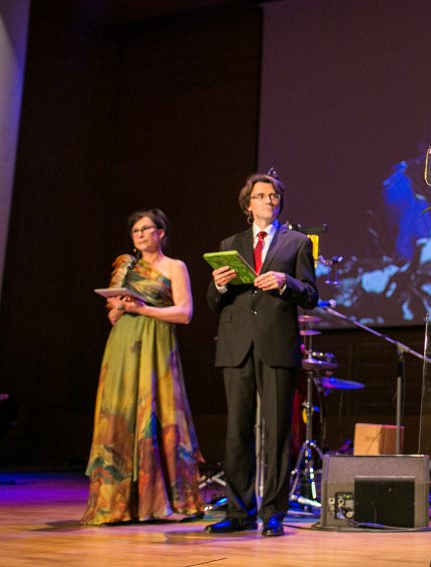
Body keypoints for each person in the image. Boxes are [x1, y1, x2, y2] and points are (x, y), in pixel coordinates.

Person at [205, 171, 318, 537]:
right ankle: (239, 512)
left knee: (277, 431)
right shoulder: (230, 243)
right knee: (236, 432)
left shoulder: (297, 242)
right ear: (248, 204)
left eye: (274, 196)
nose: (269, 200)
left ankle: (273, 513)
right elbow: (213, 302)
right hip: (236, 345)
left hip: (276, 343)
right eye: (261, 195)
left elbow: (311, 295)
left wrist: (287, 282)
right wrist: (219, 284)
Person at [82, 209, 204, 525]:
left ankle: (162, 501)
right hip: (124, 345)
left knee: (160, 412)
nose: (139, 234)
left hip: (156, 343)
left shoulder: (175, 266)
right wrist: (119, 307)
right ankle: (117, 504)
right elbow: (113, 315)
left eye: (146, 228)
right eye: (135, 230)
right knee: (119, 414)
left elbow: (185, 313)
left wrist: (144, 309)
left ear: (161, 232)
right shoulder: (126, 266)